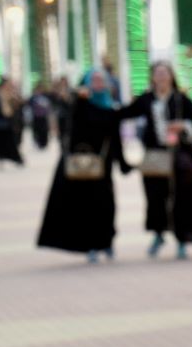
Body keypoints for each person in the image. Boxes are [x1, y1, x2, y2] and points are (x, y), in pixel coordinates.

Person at [118, 62, 192, 260]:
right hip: (154, 158)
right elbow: (123, 114)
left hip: (178, 158)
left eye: (164, 73)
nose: (161, 77)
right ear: (152, 77)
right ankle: (158, 234)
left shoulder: (181, 99)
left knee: (181, 198)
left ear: (171, 76)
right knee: (155, 197)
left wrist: (183, 126)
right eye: (157, 74)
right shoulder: (145, 100)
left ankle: (181, 240)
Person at [36, 69, 129, 262]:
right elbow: (69, 123)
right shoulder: (80, 105)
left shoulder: (111, 108)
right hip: (83, 164)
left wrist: (123, 163)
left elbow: (115, 138)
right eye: (93, 80)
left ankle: (107, 242)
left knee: (107, 204)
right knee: (86, 206)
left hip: (103, 165)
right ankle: (91, 245)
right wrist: (80, 98)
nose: (97, 83)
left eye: (100, 80)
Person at [0, 78, 25, 168]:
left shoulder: (12, 96)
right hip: (0, 123)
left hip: (9, 123)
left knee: (12, 143)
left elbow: (18, 109)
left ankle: (16, 159)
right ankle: (0, 157)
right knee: (0, 143)